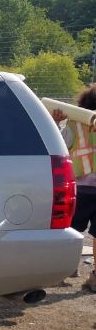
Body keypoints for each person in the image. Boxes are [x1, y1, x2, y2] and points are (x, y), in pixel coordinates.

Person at [52, 85, 96, 292]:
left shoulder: (75, 124)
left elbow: (59, 143)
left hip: (79, 186)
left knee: (71, 230)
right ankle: (95, 277)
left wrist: (55, 122)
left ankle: (68, 269)